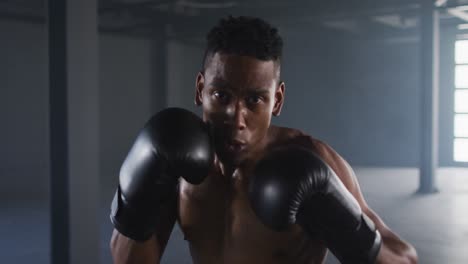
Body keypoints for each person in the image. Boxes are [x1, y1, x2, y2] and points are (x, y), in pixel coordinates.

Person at [109, 16, 418, 264]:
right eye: (221, 95)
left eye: (255, 99)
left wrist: (351, 231)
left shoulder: (313, 159)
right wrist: (138, 200)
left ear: (277, 100)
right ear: (200, 89)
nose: (237, 118)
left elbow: (405, 259)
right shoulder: (177, 161)